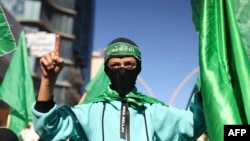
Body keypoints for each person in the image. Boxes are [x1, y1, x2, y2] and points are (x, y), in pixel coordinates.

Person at [31, 35, 206, 141]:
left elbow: (193, 124)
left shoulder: (154, 111)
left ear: (139, 68)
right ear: (106, 70)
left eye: (128, 64)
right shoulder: (88, 111)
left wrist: (210, 81)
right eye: (115, 65)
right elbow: (48, 128)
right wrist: (48, 79)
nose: (122, 70)